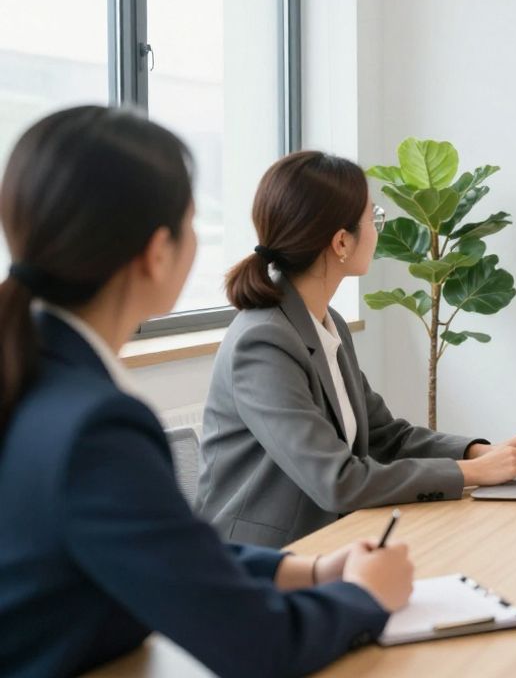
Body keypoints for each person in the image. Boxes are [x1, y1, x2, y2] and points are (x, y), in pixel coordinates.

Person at [0, 107, 414, 677]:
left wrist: (311, 572)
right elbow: (259, 645)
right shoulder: (96, 426)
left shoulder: (35, 376)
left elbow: (170, 551)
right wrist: (366, 598)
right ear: (157, 251)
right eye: (193, 223)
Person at [196, 151, 516, 548]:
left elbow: (387, 436)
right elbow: (336, 481)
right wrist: (473, 473)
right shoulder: (263, 342)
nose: (378, 229)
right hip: (262, 562)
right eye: (373, 217)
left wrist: (479, 452)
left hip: (333, 541)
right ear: (342, 241)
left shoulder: (326, 324)